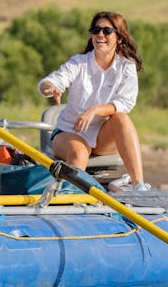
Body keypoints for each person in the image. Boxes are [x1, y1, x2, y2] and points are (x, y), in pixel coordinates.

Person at [38, 10, 149, 191]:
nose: (100, 35)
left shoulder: (126, 65)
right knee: (79, 151)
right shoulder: (78, 63)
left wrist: (95, 110)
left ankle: (139, 187)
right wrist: (50, 87)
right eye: (96, 30)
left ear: (119, 38)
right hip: (69, 132)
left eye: (107, 31)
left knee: (122, 118)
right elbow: (52, 81)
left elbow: (125, 103)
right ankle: (71, 198)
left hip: (102, 137)